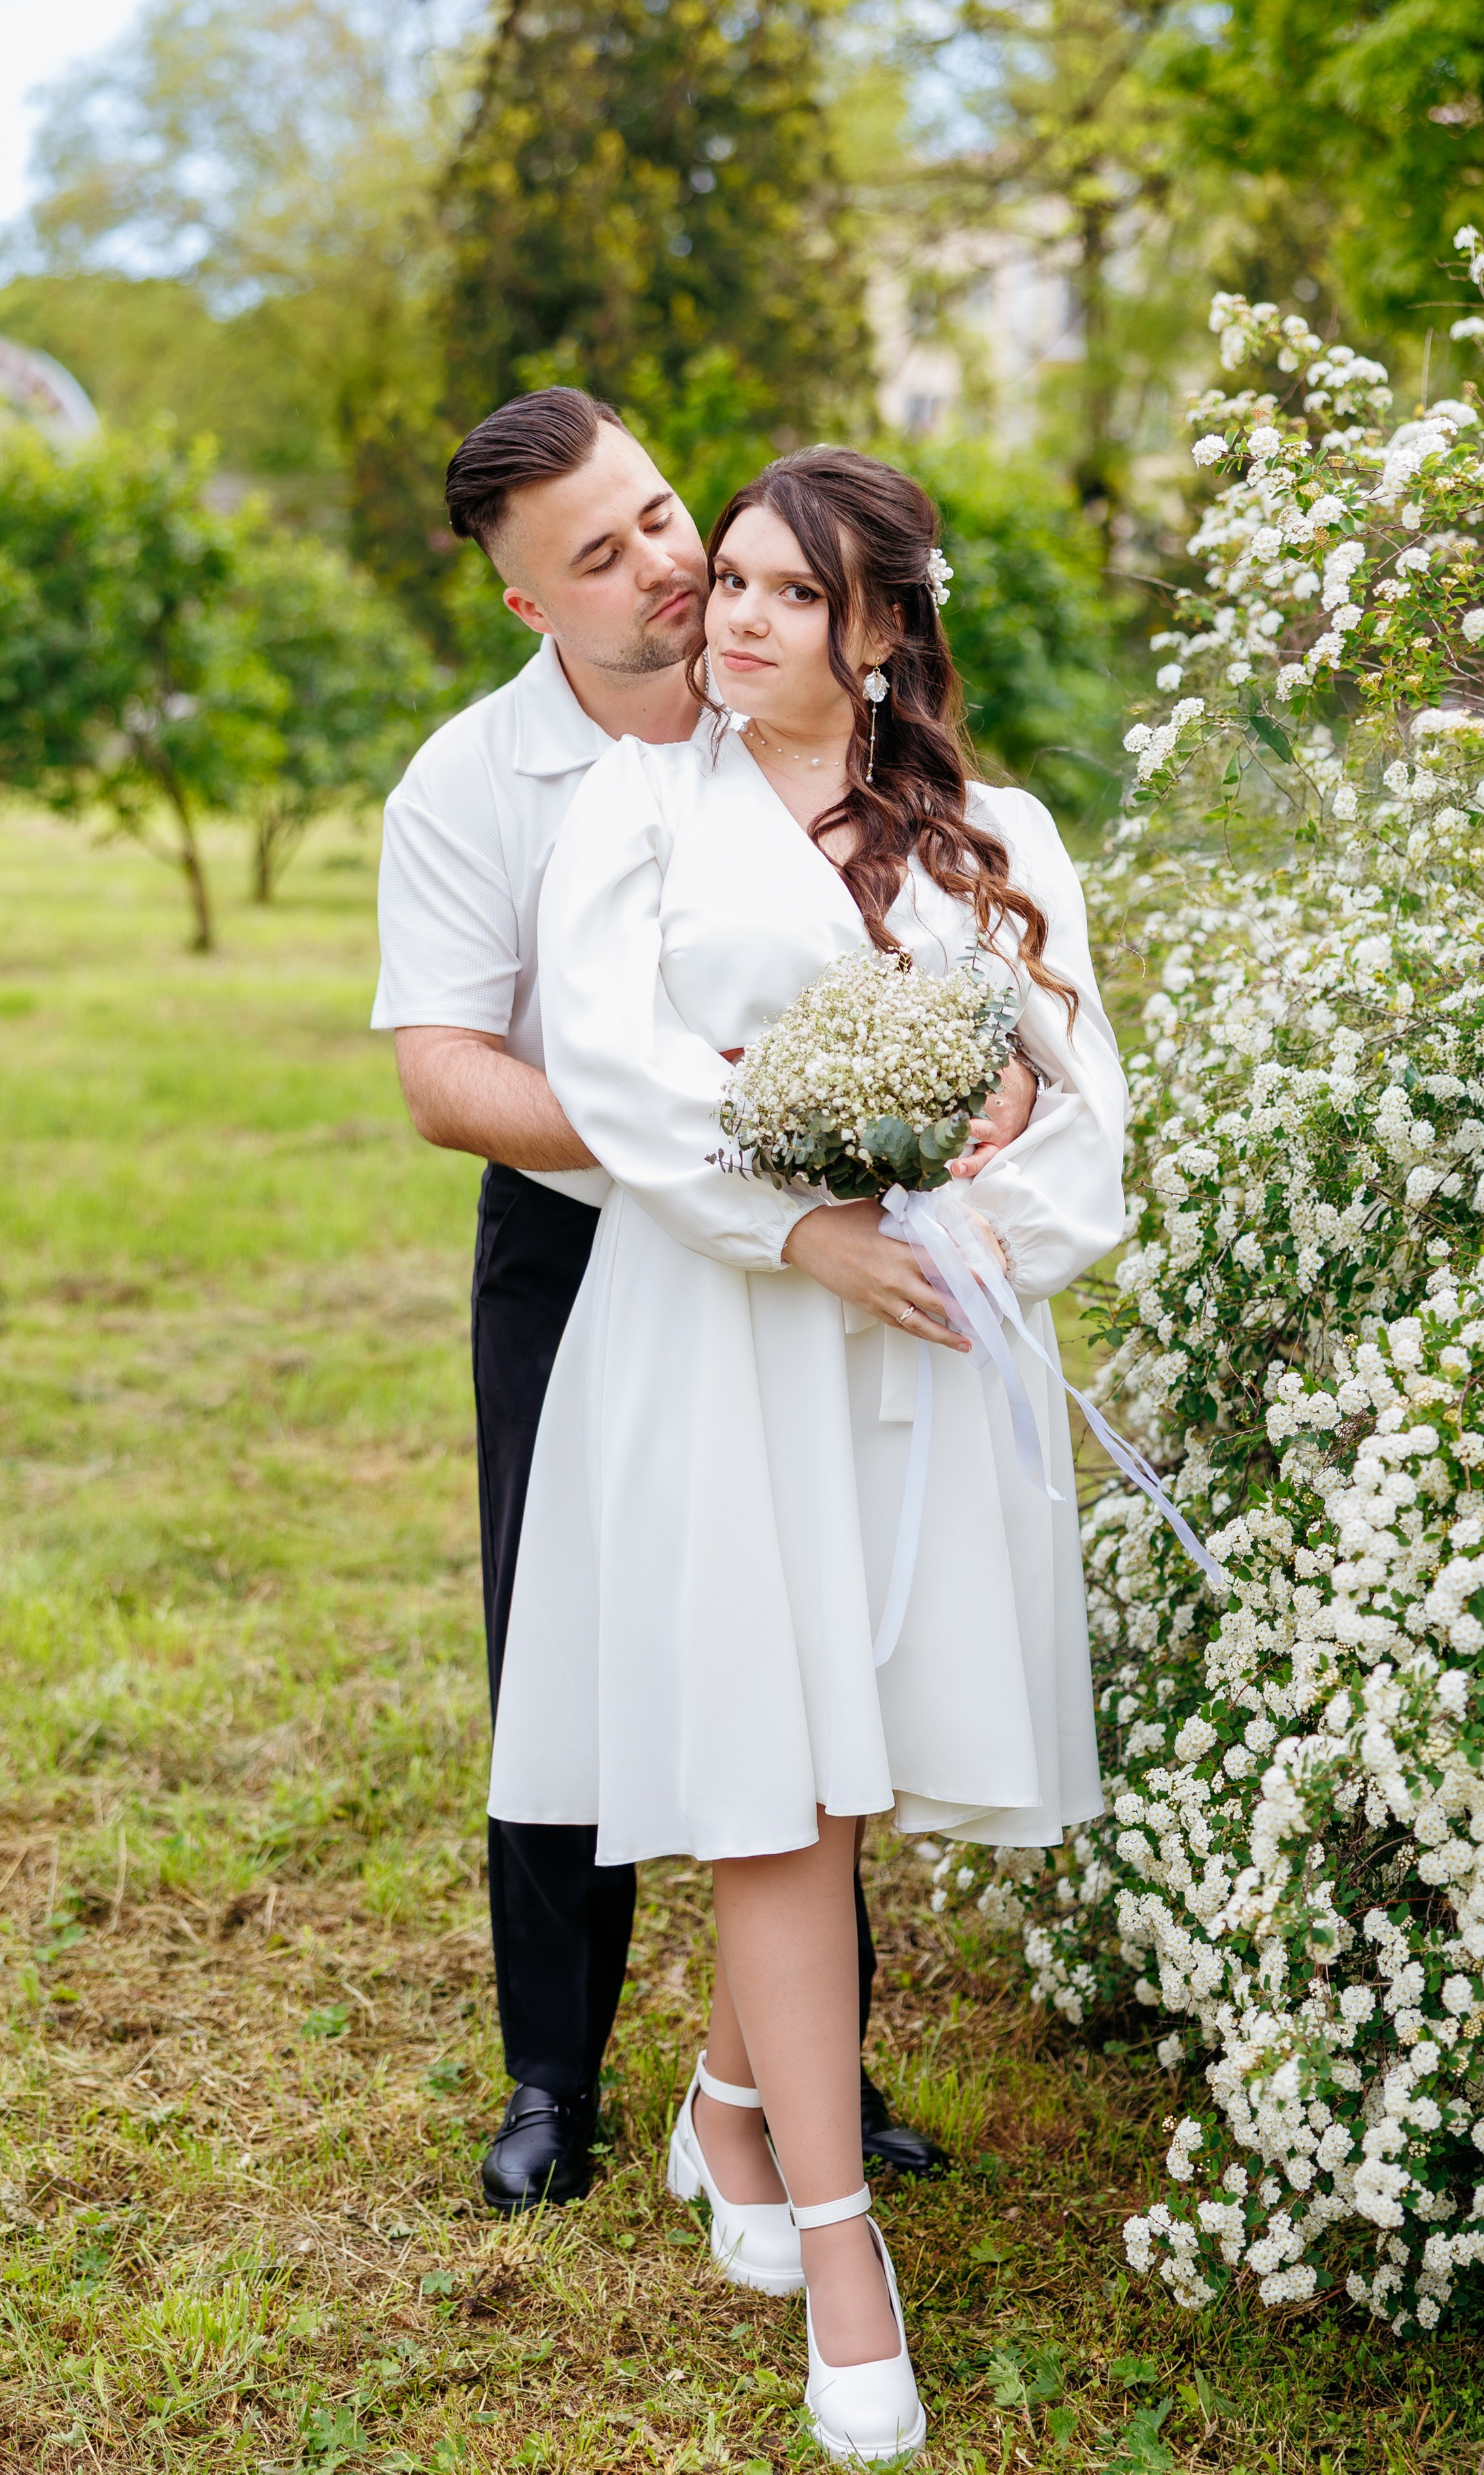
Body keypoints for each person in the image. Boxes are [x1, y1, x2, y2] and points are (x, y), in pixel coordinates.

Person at [489, 448, 1126, 2458]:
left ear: (879, 627)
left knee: (840, 1746)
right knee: (777, 1790)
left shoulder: (995, 835)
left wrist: (964, 1228)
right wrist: (805, 1225)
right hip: (716, 1334)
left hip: (920, 1352)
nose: (732, 617)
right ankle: (843, 2255)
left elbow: (1081, 1107)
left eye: (783, 593)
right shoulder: (635, 814)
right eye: (728, 581)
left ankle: (732, 2100)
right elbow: (612, 1075)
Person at [371, 390, 1029, 2216]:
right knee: (568, 1633)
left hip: (827, 1233)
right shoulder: (474, 785)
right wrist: (711, 1123)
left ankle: (804, 2069)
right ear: (528, 609)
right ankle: (554, 2073)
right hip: (579, 1245)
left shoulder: (816, 719)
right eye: (602, 555)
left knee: (823, 1627)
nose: (666, 568)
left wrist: (841, 1134)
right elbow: (443, 1071)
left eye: (664, 515)